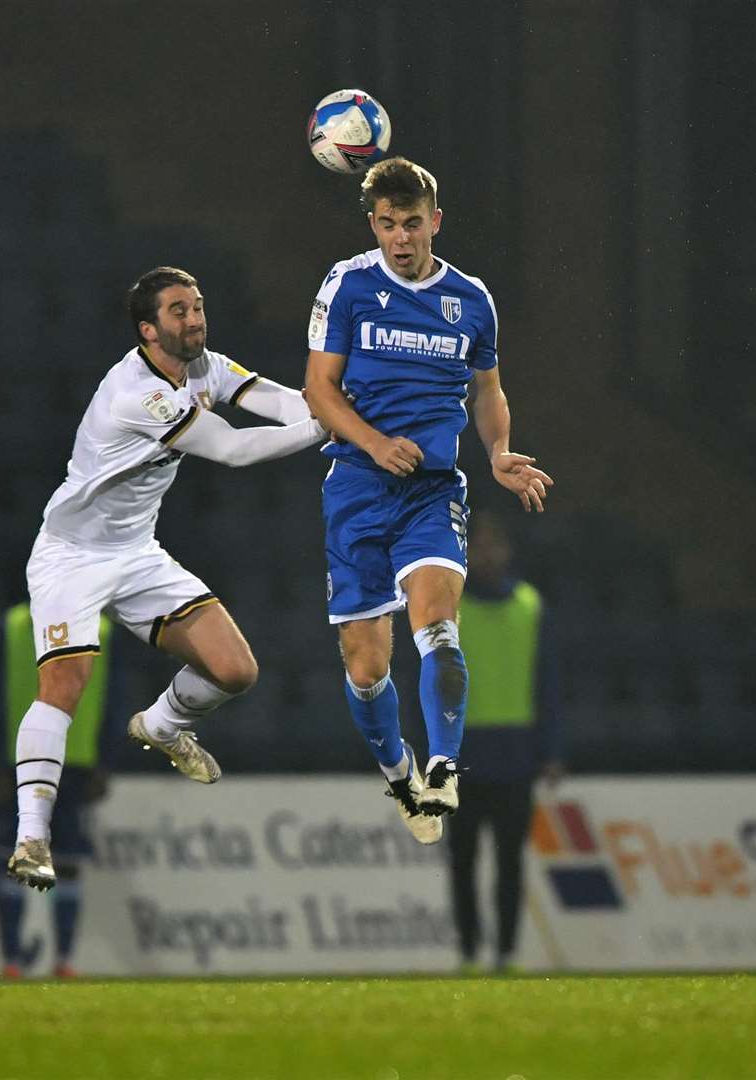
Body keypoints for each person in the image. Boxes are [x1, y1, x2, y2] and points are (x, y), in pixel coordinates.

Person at [7, 266, 327, 890]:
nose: (196, 318)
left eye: (199, 305)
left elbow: (277, 400)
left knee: (236, 670)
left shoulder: (203, 364)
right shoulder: (139, 394)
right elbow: (233, 449)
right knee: (66, 683)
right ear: (149, 330)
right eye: (180, 311)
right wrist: (327, 427)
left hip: (136, 551)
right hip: (72, 553)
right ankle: (31, 838)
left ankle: (162, 725)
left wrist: (330, 407)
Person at [304, 157, 553, 842]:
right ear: (374, 225)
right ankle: (400, 774)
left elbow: (488, 390)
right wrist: (376, 443)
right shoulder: (348, 285)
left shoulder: (470, 300)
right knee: (366, 664)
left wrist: (499, 451)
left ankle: (443, 769)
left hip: (433, 492)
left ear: (435, 222)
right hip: (356, 486)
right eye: (387, 224)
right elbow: (319, 390)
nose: (401, 238)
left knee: (438, 625)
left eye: (412, 224)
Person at [444, 513, 563, 974]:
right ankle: (470, 952)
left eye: (493, 546)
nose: (486, 555)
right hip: (461, 756)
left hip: (516, 755)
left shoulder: (531, 607)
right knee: (463, 864)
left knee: (510, 865)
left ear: (507, 551)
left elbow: (547, 685)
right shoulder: (449, 607)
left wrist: (551, 752)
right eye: (478, 546)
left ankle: (507, 952)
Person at [0, 606, 122, 977]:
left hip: (76, 760)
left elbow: (114, 698)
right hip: (20, 760)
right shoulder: (10, 627)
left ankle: (64, 961)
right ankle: (10, 961)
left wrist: (106, 761)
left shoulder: (101, 629)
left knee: (68, 863)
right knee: (19, 859)